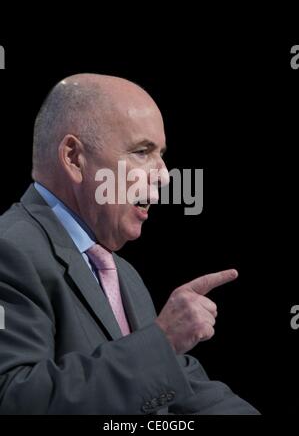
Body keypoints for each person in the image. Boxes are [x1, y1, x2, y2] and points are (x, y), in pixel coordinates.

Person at [0, 74, 259, 415]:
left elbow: (182, 388)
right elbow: (15, 401)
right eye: (142, 152)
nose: (165, 176)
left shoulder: (123, 276)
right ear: (74, 157)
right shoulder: (9, 250)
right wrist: (162, 342)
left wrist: (161, 349)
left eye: (161, 154)